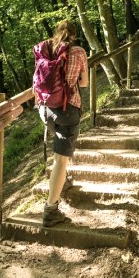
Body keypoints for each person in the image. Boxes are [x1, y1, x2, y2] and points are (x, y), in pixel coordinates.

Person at [35, 20, 88, 227]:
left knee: (60, 157)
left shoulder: (45, 48)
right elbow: (83, 83)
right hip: (67, 109)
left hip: (45, 109)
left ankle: (59, 182)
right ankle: (50, 211)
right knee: (61, 160)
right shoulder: (78, 51)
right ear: (74, 35)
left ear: (56, 32)